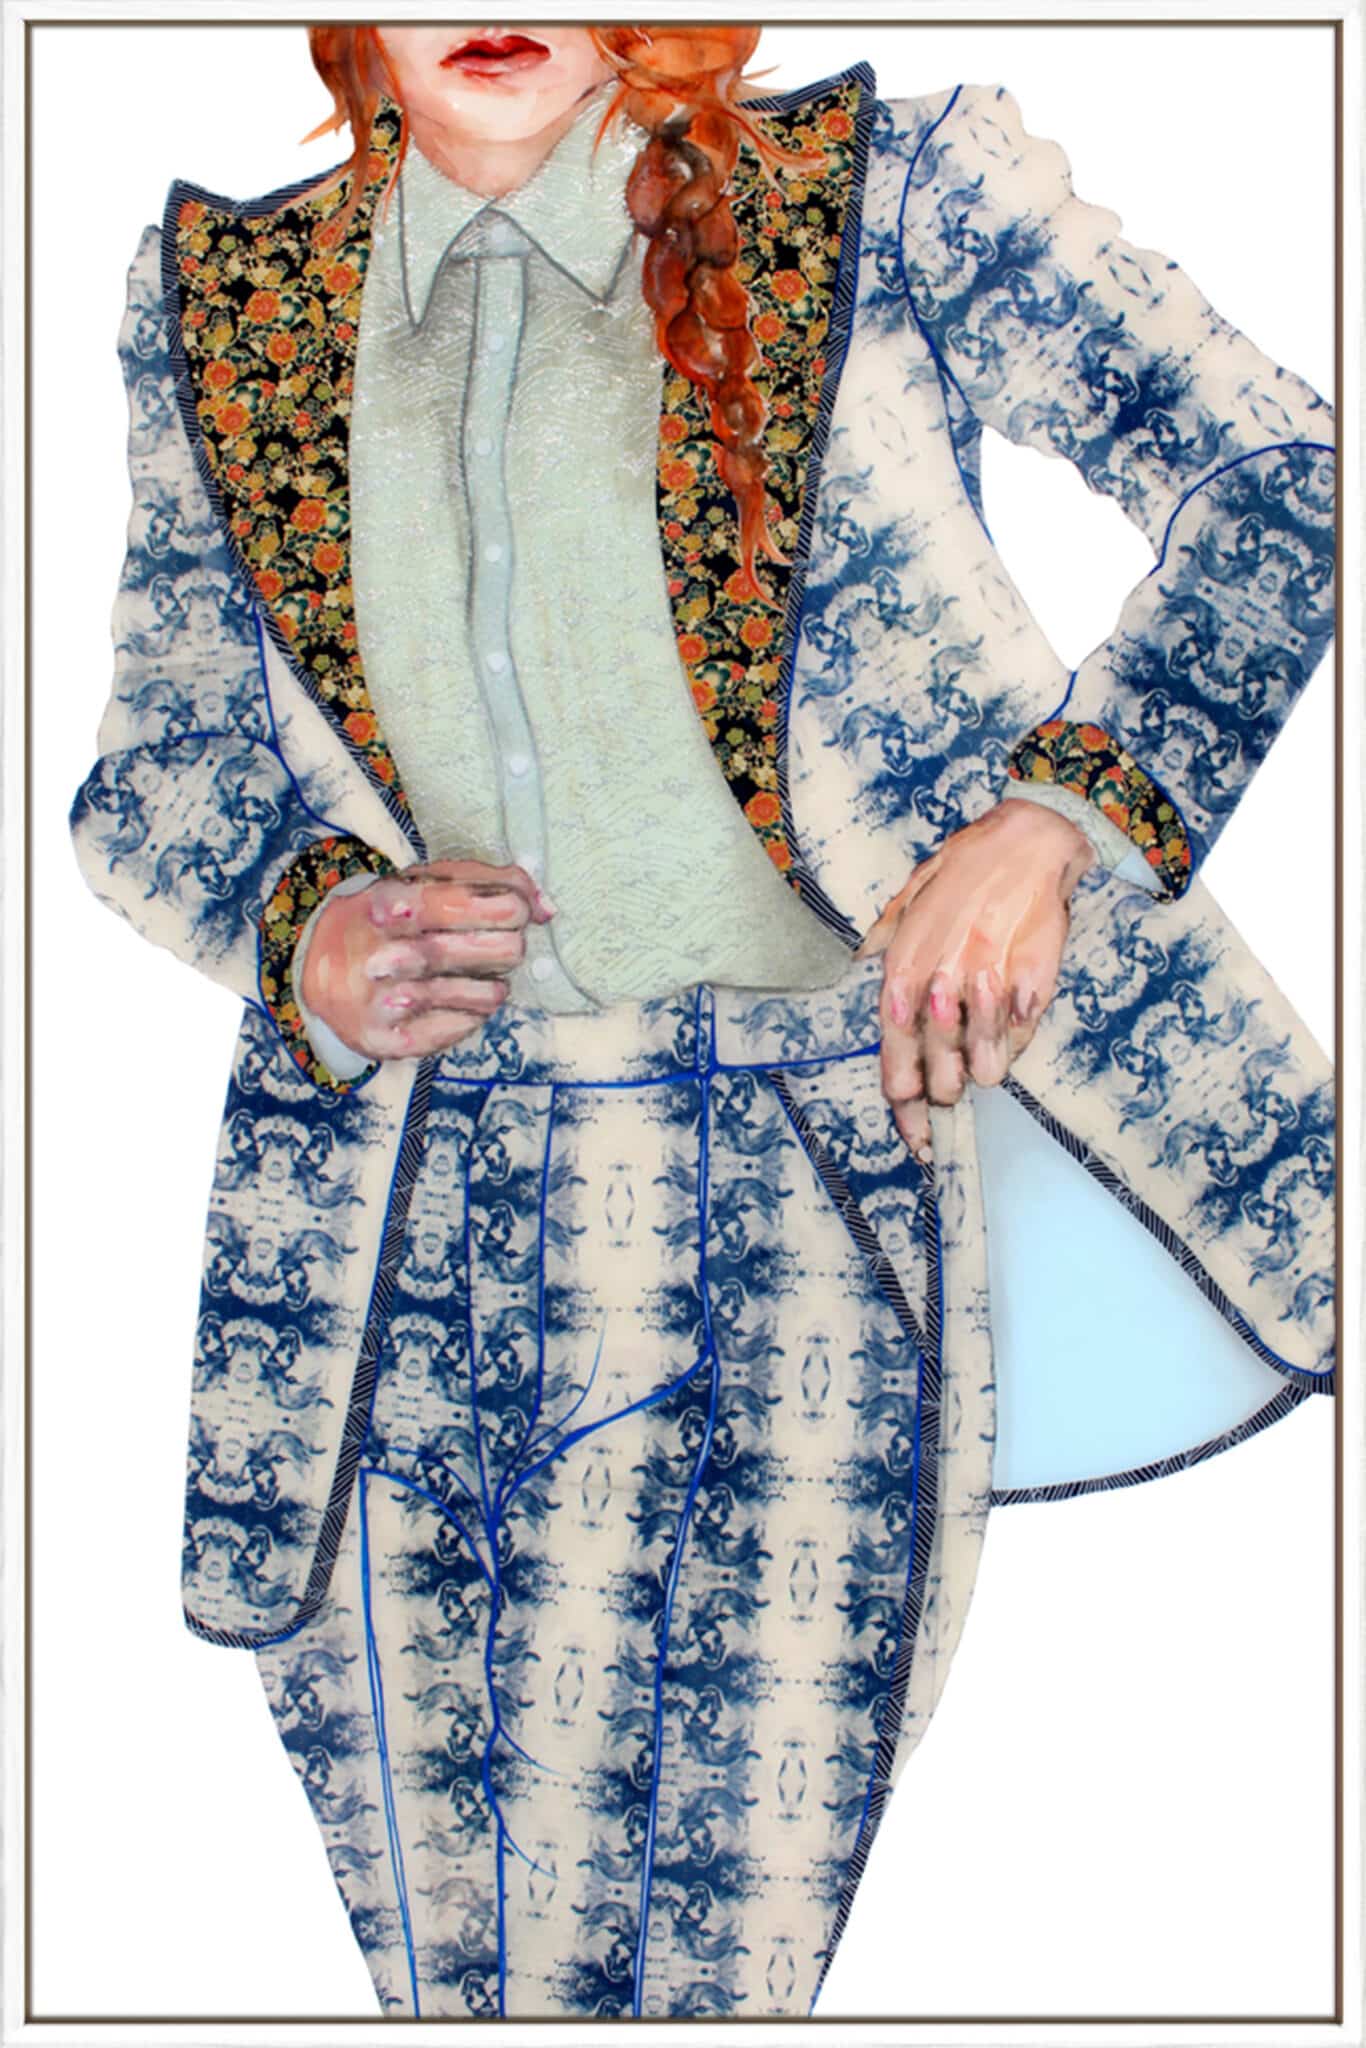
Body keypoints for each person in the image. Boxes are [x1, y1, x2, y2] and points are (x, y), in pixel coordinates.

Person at [70, 20, 1336, 2019]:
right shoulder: (228, 297)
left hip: (800, 1177)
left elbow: (1281, 478)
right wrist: (302, 928)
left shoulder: (892, 194)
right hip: (387, 1215)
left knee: (699, 1969)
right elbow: (158, 771)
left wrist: (1054, 823)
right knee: (452, 1968)